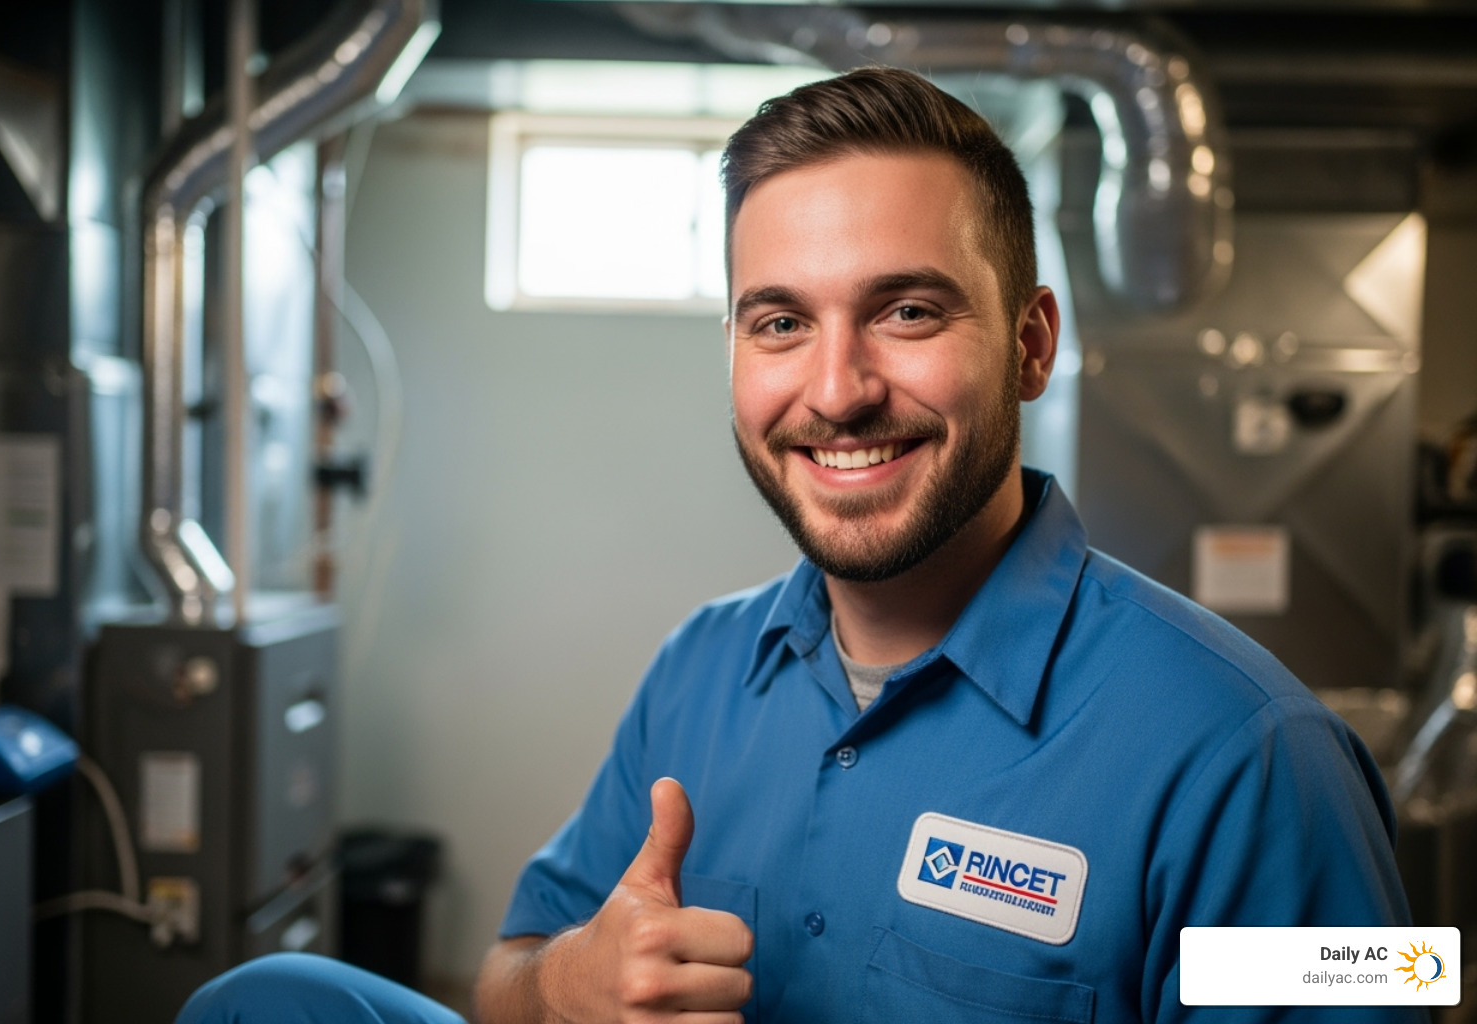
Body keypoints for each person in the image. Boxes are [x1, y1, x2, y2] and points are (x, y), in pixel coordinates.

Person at [178, 67, 1417, 1024]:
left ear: (1033, 343)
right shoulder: (701, 672)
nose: (837, 388)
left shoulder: (1263, 758)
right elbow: (510, 971)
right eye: (781, 321)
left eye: (909, 310)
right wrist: (569, 988)